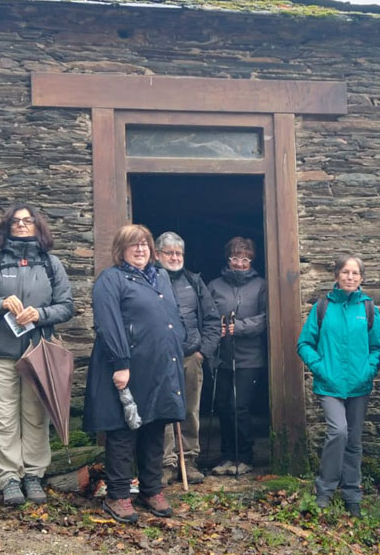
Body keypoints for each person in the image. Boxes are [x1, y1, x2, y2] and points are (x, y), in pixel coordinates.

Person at [0, 205, 74, 506]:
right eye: (16, 221)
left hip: (38, 352)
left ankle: (34, 475)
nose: (22, 225)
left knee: (36, 416)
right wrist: (0, 303)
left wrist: (40, 314)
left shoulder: (51, 264)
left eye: (28, 221)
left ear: (38, 226)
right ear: (7, 227)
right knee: (2, 417)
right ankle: (9, 477)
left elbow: (66, 306)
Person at [84, 224, 186, 523]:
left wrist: (179, 344)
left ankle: (151, 489)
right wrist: (121, 364)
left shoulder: (161, 277)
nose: (140, 249)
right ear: (121, 250)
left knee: (154, 427)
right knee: (123, 431)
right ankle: (118, 495)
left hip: (158, 367)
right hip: (127, 367)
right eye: (133, 245)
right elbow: (108, 323)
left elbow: (171, 318)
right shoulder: (111, 279)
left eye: (144, 244)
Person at [297, 255, 380, 517]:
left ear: (361, 278)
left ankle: (352, 495)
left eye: (355, 273)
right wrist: (321, 368)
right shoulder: (323, 306)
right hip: (329, 385)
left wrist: (368, 370)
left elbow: (378, 347)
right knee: (338, 432)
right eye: (345, 272)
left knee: (354, 440)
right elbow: (304, 344)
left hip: (359, 385)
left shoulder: (368, 308)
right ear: (336, 276)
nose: (350, 277)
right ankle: (325, 489)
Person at [154, 232, 220, 486]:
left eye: (178, 253)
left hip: (191, 356)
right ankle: (167, 463)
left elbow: (213, 319)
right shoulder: (150, 280)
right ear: (158, 254)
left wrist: (203, 352)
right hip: (160, 358)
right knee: (163, 410)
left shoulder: (193, 281)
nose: (174, 257)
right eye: (169, 252)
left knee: (190, 409)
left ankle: (189, 460)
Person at [207, 236, 268, 476]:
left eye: (245, 259)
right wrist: (217, 328)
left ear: (251, 260)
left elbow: (266, 317)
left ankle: (244, 455)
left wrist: (240, 327)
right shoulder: (214, 285)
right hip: (221, 356)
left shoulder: (261, 285)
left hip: (249, 358)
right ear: (228, 259)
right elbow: (208, 314)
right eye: (235, 258)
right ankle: (226, 456)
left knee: (239, 406)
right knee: (223, 406)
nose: (239, 263)